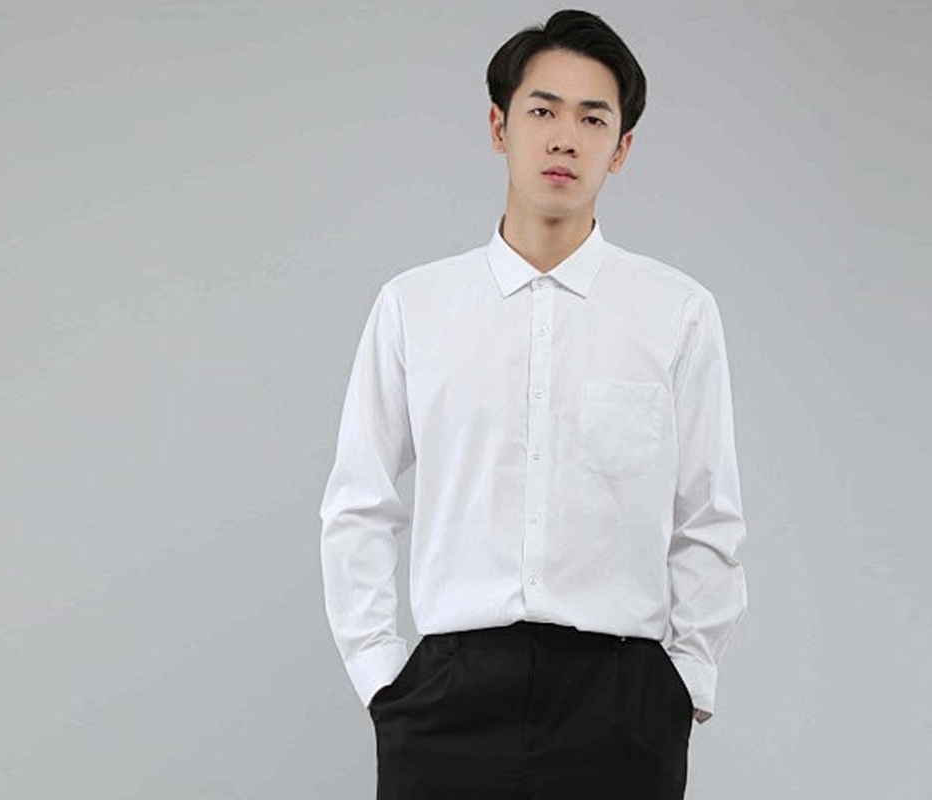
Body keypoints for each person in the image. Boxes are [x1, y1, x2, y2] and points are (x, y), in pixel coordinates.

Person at [318, 9, 748, 799]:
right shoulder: (416, 306)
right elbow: (359, 502)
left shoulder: (676, 313)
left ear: (622, 149)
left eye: (593, 119)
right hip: (449, 698)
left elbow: (708, 515)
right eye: (543, 111)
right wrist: (382, 677)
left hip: (621, 703)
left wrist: (684, 682)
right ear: (499, 126)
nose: (564, 139)